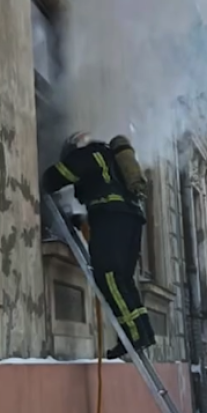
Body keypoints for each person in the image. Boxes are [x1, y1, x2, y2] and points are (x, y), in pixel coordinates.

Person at [42, 131, 155, 359]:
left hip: (112, 219)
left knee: (109, 277)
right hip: (131, 221)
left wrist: (44, 180)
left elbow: (57, 177)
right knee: (123, 281)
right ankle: (142, 331)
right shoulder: (113, 160)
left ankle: (133, 336)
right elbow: (105, 193)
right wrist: (79, 220)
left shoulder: (89, 154)